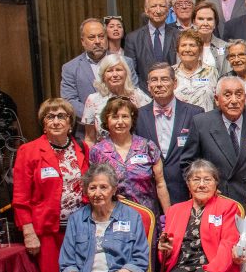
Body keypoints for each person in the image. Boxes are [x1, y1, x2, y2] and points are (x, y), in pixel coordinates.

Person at [13, 98, 90, 272]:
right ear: (43, 123)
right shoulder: (29, 151)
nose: (56, 121)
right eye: (50, 117)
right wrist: (28, 232)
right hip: (47, 233)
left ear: (70, 123)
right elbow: (20, 198)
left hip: (80, 231)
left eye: (61, 116)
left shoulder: (81, 149)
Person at [180, 76, 246, 205]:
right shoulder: (201, 123)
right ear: (217, 99)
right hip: (218, 198)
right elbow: (188, 162)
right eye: (227, 95)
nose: (234, 100)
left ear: (245, 98)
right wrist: (203, 187)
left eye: (239, 95)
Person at [88, 97, 171, 216]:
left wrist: (169, 217)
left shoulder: (148, 147)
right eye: (115, 117)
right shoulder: (97, 151)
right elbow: (93, 186)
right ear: (106, 120)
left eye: (125, 116)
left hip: (146, 216)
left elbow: (160, 184)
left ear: (132, 119)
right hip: (112, 215)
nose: (120, 122)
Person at [135, 63, 203, 204]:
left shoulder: (195, 114)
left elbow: (202, 154)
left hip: (185, 189)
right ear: (148, 86)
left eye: (164, 79)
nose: (159, 84)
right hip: (149, 191)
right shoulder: (138, 116)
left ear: (175, 83)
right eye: (154, 80)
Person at [82, 54, 151, 146]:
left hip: (137, 151)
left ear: (126, 73)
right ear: (103, 76)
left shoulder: (139, 96)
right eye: (109, 71)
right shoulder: (93, 100)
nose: (115, 75)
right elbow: (90, 138)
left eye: (118, 70)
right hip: (103, 152)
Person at [124, 0, 179, 94]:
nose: (158, 11)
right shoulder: (133, 38)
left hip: (174, 93)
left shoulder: (178, 36)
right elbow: (130, 72)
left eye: (162, 6)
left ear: (168, 10)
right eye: (153, 6)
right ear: (146, 10)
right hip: (144, 95)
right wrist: (141, 96)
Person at [172, 30, 218, 112]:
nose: (187, 49)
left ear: (200, 50)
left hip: (205, 119)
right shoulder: (170, 73)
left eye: (192, 45)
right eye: (183, 45)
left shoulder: (212, 71)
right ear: (178, 50)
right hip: (179, 119)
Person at [192, 1, 229, 75]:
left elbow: (227, 75)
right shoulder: (184, 46)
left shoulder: (224, 46)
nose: (205, 23)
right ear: (194, 22)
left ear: (215, 23)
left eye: (209, 19)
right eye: (201, 19)